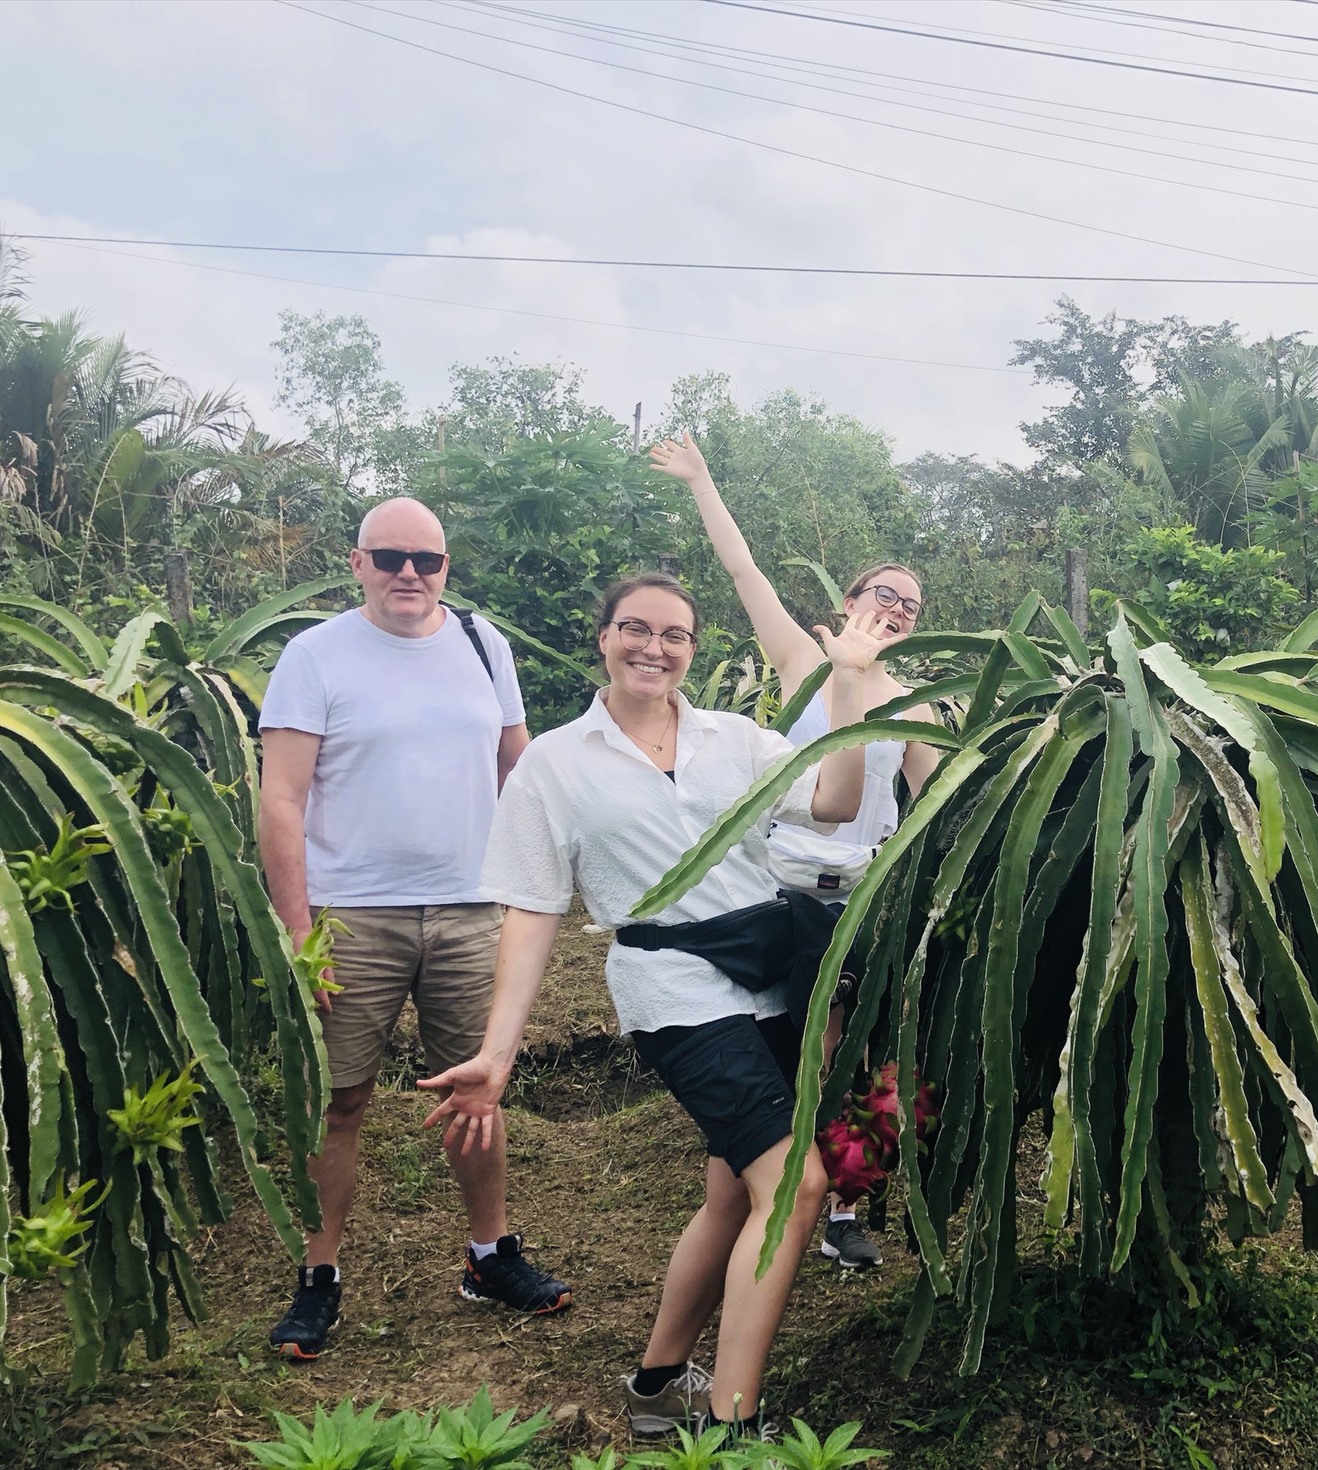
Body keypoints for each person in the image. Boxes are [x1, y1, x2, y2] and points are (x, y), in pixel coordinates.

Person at [420, 572, 892, 1441]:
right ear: (601, 637)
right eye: (634, 628)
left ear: (691, 650)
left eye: (674, 634)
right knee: (796, 1186)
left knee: (731, 1195)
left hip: (773, 973)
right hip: (674, 990)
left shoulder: (735, 739)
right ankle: (731, 1430)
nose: (654, 647)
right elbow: (531, 913)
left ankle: (656, 1388)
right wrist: (498, 1051)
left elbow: (834, 803)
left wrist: (854, 680)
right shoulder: (554, 765)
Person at [257, 497, 570, 1362]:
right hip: (350, 913)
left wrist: (546, 870)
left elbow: (520, 762)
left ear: (446, 570)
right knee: (339, 1100)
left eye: (426, 561)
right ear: (356, 563)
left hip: (473, 906)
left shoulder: (482, 644)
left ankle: (490, 1256)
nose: (408, 574)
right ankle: (318, 1275)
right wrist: (299, 932)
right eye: (389, 556)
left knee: (478, 1090)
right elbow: (281, 800)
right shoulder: (314, 655)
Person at [649, 431, 938, 1271]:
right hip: (784, 888)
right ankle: (780, 1183)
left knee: (866, 1053)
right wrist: (703, 479)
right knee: (801, 1045)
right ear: (850, 597)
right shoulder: (802, 661)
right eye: (882, 591)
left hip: (866, 893)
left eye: (911, 605)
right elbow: (745, 573)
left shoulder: (917, 702)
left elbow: (932, 802)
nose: (895, 606)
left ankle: (844, 1202)